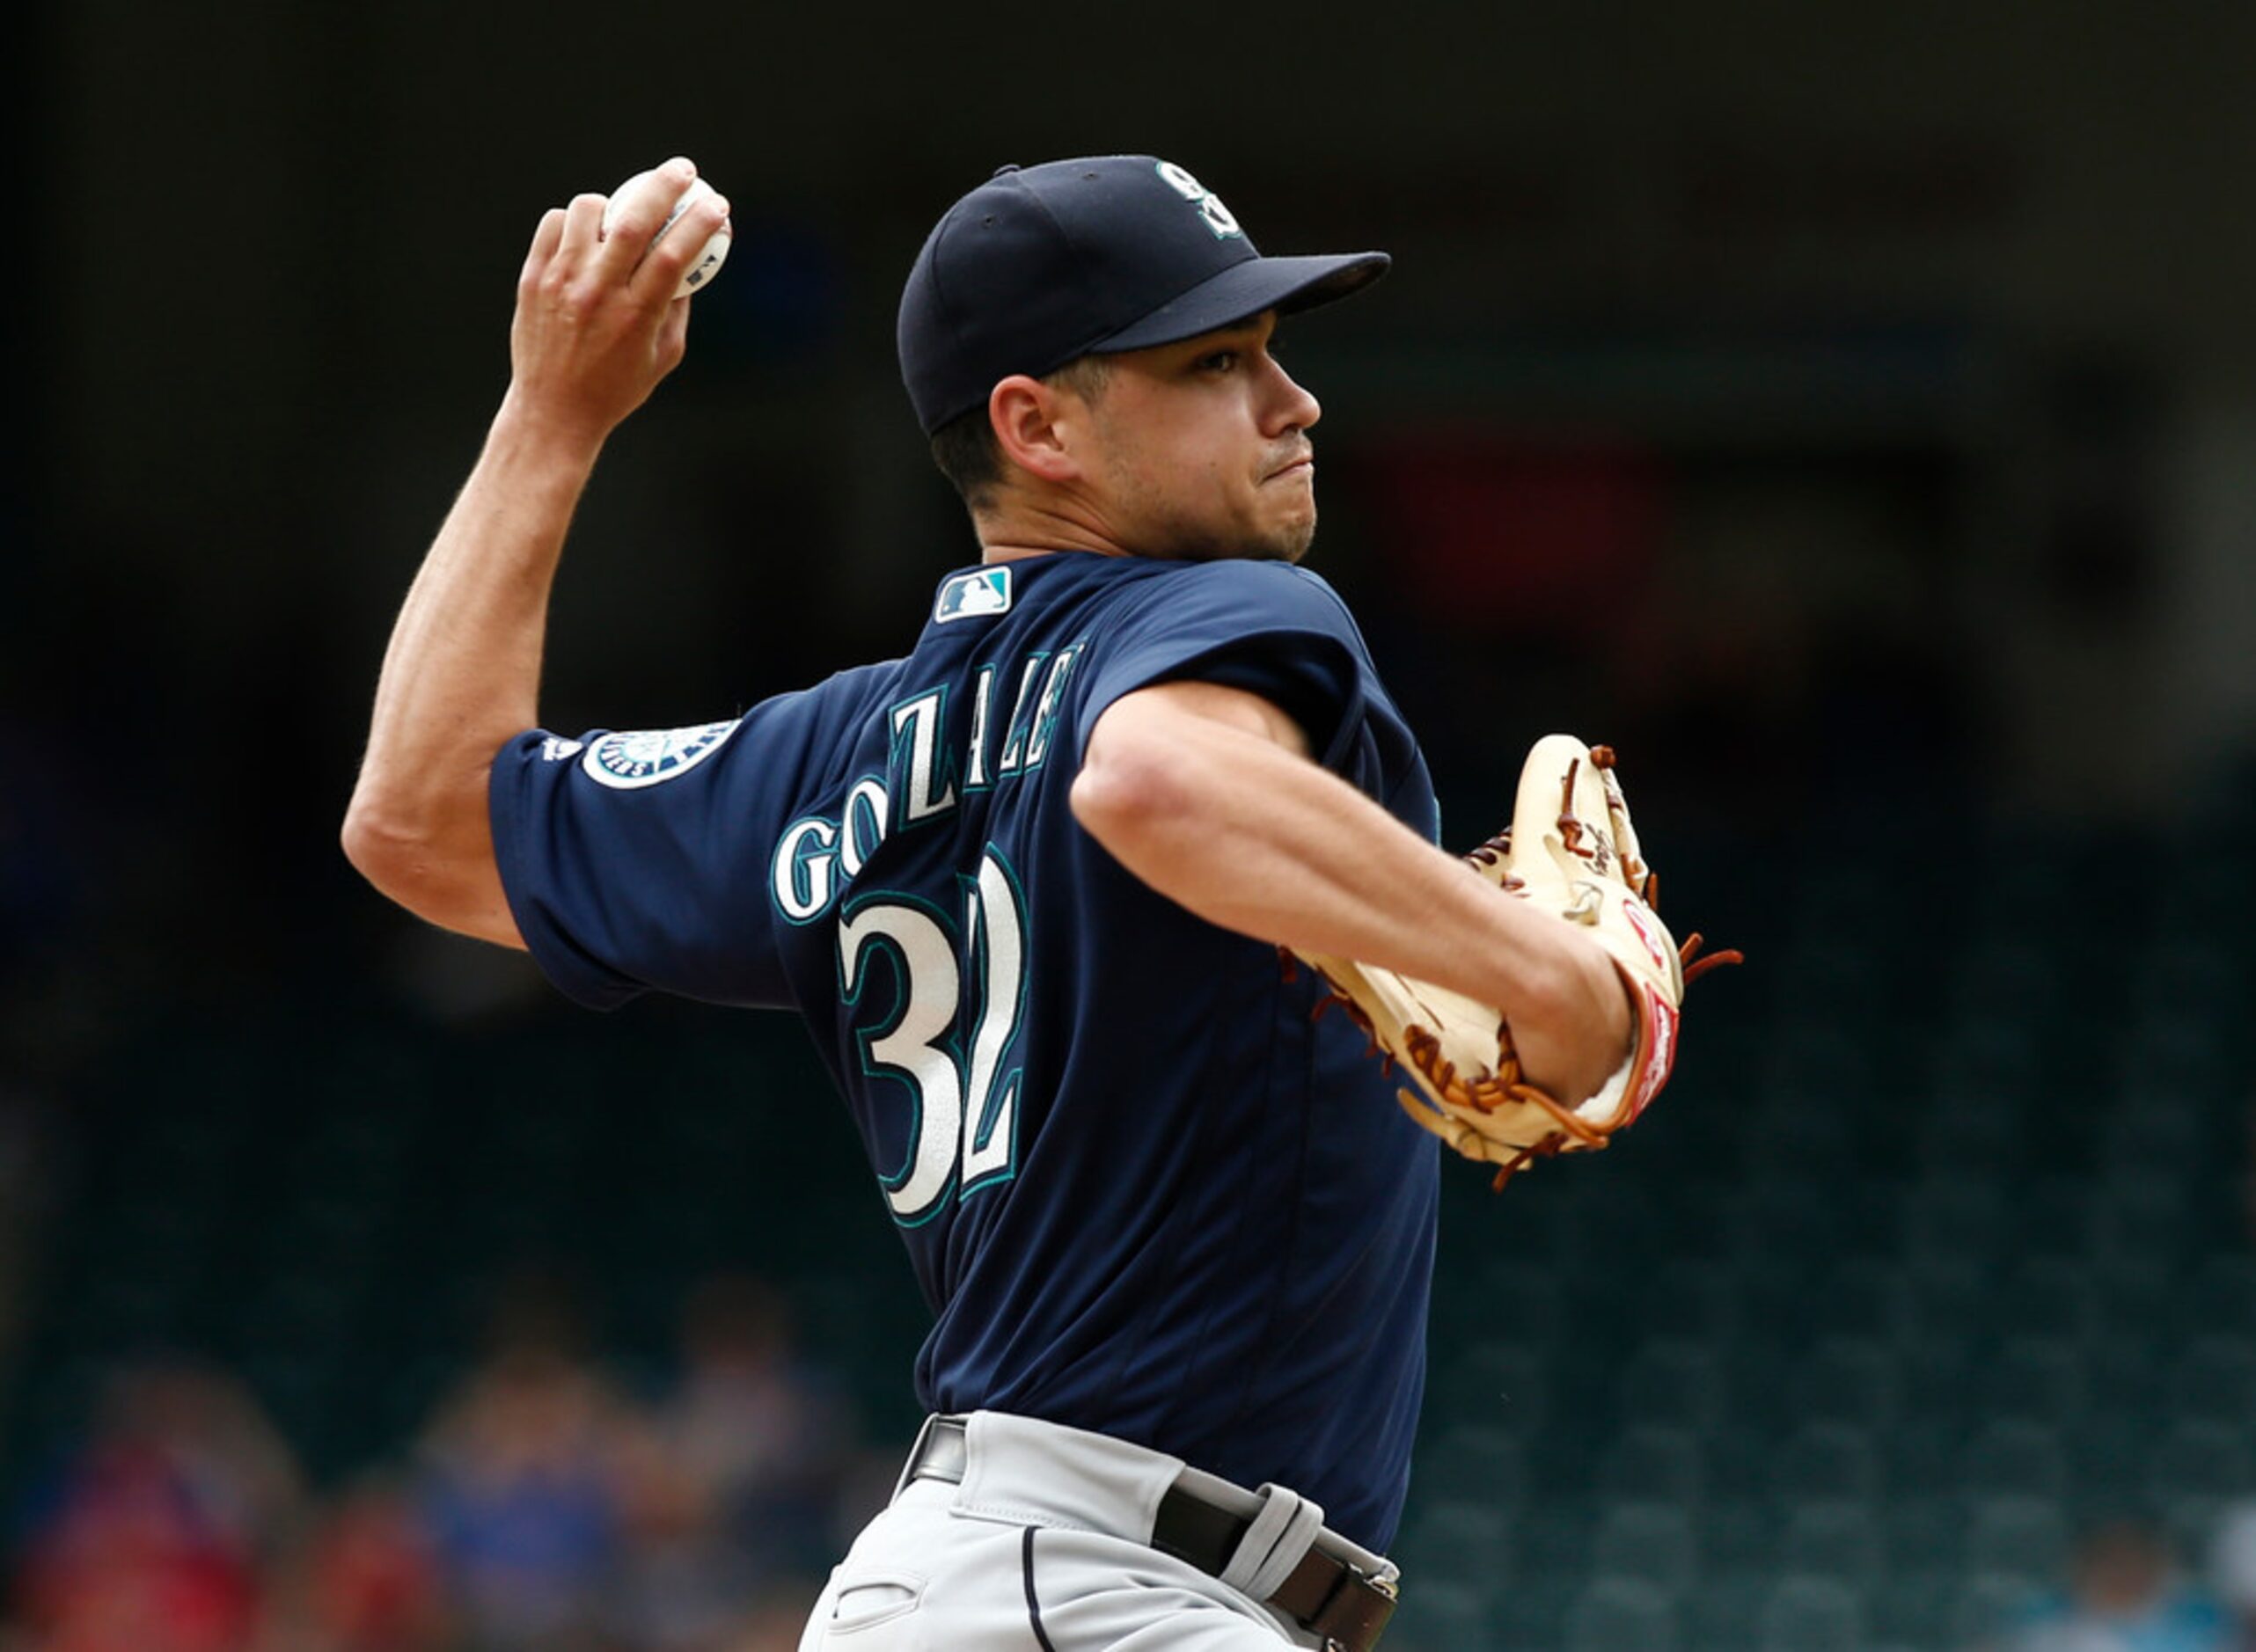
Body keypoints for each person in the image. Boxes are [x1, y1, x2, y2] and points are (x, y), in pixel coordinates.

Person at [342, 153, 1633, 1650]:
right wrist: (1554, 977)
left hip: (992, 1576)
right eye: (1219, 361)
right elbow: (1152, 783)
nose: (1296, 402)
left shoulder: (833, 753)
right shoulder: (1214, 603)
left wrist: (550, 417)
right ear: (1037, 426)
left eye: (1275, 353)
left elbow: (424, 818)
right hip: (1110, 1589)